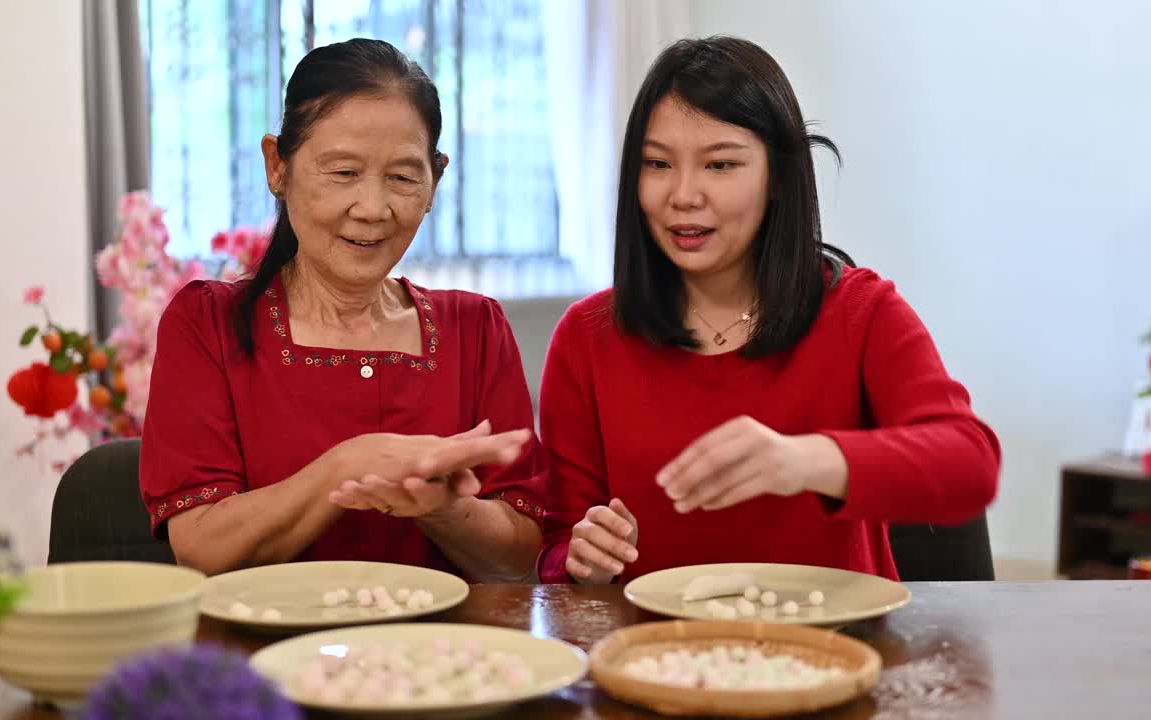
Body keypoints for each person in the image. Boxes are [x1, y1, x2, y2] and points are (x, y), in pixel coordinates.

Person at [537, 36, 1001, 584]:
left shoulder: (860, 310)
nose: (683, 195)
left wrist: (806, 461)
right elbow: (558, 545)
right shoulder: (588, 337)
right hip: (653, 658)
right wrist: (580, 556)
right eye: (657, 163)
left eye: (720, 164)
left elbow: (970, 464)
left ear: (778, 176)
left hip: (833, 652)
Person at [140, 39, 545, 580]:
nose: (373, 209)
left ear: (434, 181)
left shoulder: (474, 330)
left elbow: (521, 559)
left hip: (439, 658)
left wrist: (444, 506)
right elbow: (201, 548)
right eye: (343, 172)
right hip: (264, 659)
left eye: (403, 177)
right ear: (277, 166)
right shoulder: (207, 324)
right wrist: (350, 466)